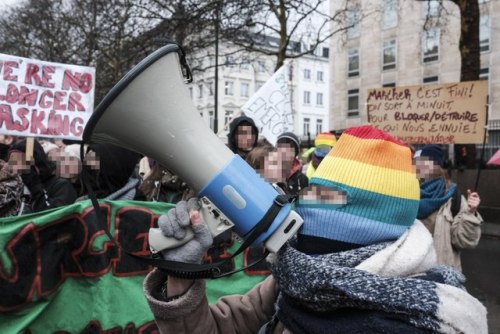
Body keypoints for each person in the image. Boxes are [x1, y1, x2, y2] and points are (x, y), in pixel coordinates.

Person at [143, 125, 487, 334]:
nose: (303, 234)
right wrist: (181, 274)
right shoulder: (296, 275)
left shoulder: (429, 317)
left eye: (324, 220)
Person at [414, 144, 483, 271]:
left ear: (435, 165)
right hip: (414, 272)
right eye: (417, 162)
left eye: (422, 161)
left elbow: (464, 241)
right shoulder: (409, 192)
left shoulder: (453, 198)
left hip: (442, 273)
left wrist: (470, 213)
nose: (417, 166)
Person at [7, 139, 77, 213]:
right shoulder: (13, 187)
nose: (14, 167)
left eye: (19, 161)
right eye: (11, 162)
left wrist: (35, 187)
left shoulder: (61, 186)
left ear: (36, 163)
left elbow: (55, 217)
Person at [79, 143, 145, 201]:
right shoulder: (82, 203)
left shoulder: (139, 206)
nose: (85, 172)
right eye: (86, 165)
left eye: (92, 167)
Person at [276, 132, 308, 198]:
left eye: (290, 149)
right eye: (282, 147)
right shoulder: (267, 173)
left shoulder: (302, 180)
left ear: (295, 154)